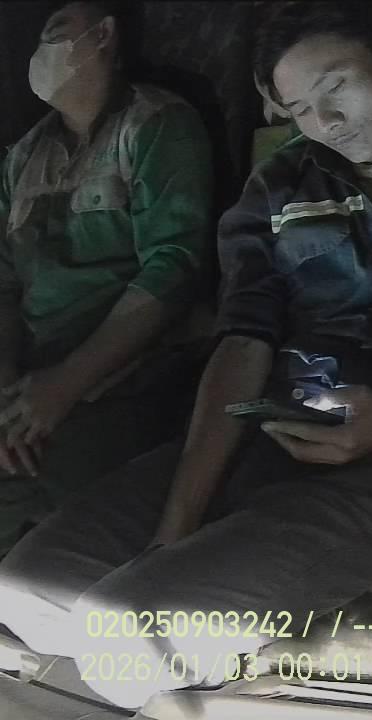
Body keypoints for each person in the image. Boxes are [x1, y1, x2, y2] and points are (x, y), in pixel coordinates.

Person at [0, 0, 372, 709]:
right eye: (302, 109)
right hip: (267, 427)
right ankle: (217, 623)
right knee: (23, 591)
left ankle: (226, 652)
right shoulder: (277, 187)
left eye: (336, 85)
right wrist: (178, 523)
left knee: (126, 636)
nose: (328, 121)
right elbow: (243, 342)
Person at [0, 0, 214, 555]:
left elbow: (173, 268)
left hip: (128, 377)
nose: (39, 51)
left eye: (55, 31)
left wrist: (67, 383)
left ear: (103, 36)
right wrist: (8, 398)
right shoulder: (22, 158)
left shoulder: (156, 124)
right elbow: (3, 284)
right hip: (33, 382)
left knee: (56, 518)